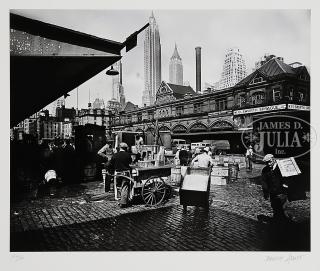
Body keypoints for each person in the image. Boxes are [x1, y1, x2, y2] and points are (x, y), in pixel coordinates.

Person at [261, 154, 290, 223]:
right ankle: (277, 222)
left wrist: (286, 184)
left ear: (273, 159)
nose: (268, 164)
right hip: (272, 192)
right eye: (266, 162)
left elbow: (288, 177)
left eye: (269, 162)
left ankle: (285, 222)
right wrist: (266, 192)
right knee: (274, 206)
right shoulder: (265, 170)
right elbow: (264, 181)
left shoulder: (281, 167)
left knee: (283, 207)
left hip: (281, 191)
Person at [106, 142, 132, 208]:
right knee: (125, 186)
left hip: (117, 173)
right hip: (126, 173)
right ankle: (123, 202)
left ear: (120, 148)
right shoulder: (128, 155)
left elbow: (110, 164)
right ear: (125, 148)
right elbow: (130, 162)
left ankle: (120, 199)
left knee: (118, 186)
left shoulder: (115, 155)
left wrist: (109, 171)